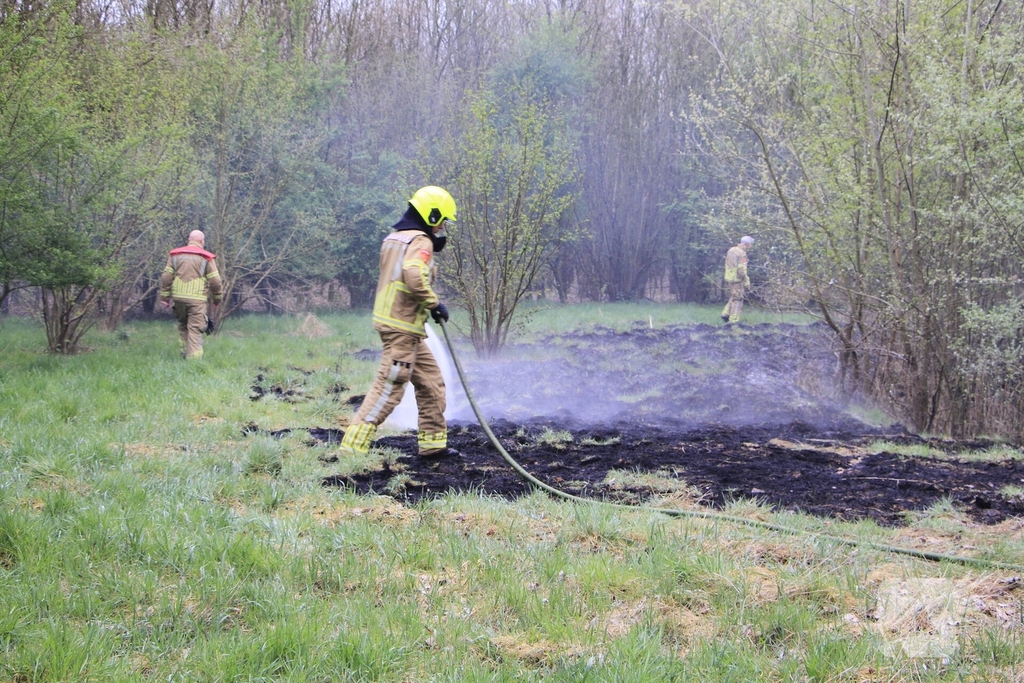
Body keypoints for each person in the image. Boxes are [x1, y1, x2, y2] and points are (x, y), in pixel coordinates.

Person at [339, 186, 460, 459]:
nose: (442, 228)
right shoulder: (420, 241)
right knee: (389, 388)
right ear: (431, 216)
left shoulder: (396, 238)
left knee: (431, 383)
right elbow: (414, 276)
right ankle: (352, 448)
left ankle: (433, 447)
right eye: (441, 221)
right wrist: (434, 304)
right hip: (402, 328)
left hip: (401, 326)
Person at [159, 229, 223, 359]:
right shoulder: (206, 257)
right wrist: (217, 298)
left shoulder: (175, 255)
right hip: (197, 299)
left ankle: (183, 353)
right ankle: (194, 361)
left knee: (183, 324)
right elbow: (216, 281)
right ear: (202, 241)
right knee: (195, 328)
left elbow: (166, 276)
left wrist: (164, 296)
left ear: (189, 240)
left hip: (178, 298)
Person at [721, 235, 754, 324]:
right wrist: (746, 280)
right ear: (747, 244)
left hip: (729, 277)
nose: (750, 246)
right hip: (737, 279)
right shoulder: (742, 254)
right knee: (738, 299)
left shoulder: (731, 250)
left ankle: (726, 313)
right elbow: (741, 270)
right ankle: (734, 320)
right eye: (750, 244)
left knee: (734, 295)